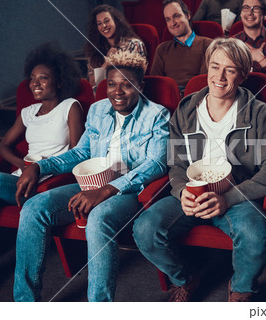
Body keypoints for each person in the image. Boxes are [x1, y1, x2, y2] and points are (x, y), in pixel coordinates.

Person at [133, 37, 266, 302]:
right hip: (193, 192)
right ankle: (185, 279)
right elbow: (178, 163)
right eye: (215, 67)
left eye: (230, 69)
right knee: (144, 229)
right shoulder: (186, 108)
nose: (220, 76)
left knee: (256, 236)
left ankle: (241, 289)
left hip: (236, 195)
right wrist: (182, 191)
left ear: (243, 74)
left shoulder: (258, 112)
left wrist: (228, 199)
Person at [13, 49, 170, 302]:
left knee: (97, 218)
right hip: (91, 183)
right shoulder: (98, 111)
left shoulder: (157, 115)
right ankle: (25, 302)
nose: (117, 92)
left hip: (127, 191)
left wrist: (107, 190)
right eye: (111, 84)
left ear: (140, 87)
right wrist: (41, 166)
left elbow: (156, 164)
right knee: (33, 208)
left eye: (126, 85)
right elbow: (81, 152)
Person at [0, 42, 84, 301]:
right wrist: (24, 165)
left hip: (47, 183)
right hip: (19, 180)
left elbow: (78, 155)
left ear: (58, 81)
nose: (35, 83)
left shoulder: (70, 106)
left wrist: (39, 168)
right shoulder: (27, 112)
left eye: (43, 78)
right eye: (32, 79)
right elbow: (3, 145)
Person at [150, 0, 212, 94]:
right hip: (168, 98)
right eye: (168, 19)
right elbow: (155, 84)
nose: (173, 23)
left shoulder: (207, 44)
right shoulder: (162, 49)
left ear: (187, 15)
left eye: (176, 16)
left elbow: (202, 83)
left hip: (195, 99)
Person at [85, 4, 147, 88]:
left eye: (106, 21)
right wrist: (106, 63)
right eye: (99, 23)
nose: (104, 26)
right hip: (101, 94)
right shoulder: (94, 49)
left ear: (116, 21)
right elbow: (92, 84)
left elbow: (136, 79)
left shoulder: (134, 44)